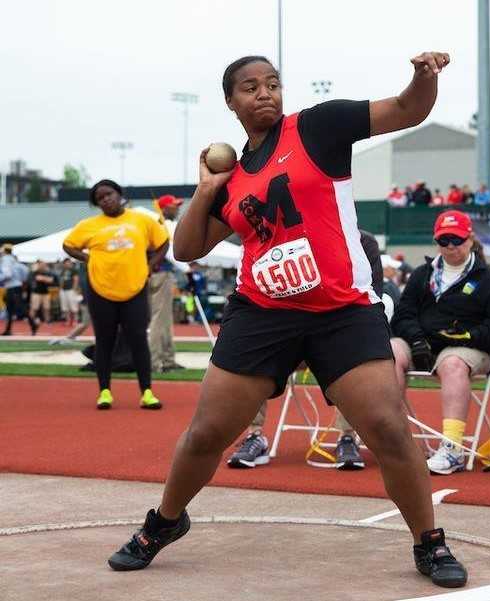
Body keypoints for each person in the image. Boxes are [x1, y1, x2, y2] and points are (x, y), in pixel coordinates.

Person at [107, 52, 467, 588]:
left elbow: (408, 110)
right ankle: (163, 522)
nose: (265, 94)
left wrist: (424, 76)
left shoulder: (319, 127)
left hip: (342, 309)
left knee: (388, 427)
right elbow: (186, 248)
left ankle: (429, 542)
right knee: (207, 433)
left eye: (272, 83)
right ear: (231, 102)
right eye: (250, 88)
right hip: (263, 313)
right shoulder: (230, 180)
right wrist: (207, 188)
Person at [227, 230, 384, 472]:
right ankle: (255, 435)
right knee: (247, 356)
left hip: (335, 333)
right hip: (286, 333)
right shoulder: (280, 238)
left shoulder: (364, 243)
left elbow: (371, 295)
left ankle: (347, 437)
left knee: (353, 356)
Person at [390, 210, 490, 475]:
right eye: (443, 240)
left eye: (456, 239)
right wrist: (417, 340)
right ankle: (394, 439)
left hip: (468, 350)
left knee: (454, 363)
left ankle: (453, 447)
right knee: (390, 352)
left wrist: (470, 336)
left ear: (469, 240)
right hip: (423, 343)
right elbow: (403, 316)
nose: (450, 246)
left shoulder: (487, 280)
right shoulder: (422, 275)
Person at [63, 179, 169, 410]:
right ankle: (104, 392)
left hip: (135, 288)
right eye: (100, 198)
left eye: (108, 194)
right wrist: (87, 258)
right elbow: (68, 245)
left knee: (138, 340)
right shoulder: (88, 225)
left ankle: (147, 392)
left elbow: (163, 242)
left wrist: (152, 265)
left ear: (118, 194)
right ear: (97, 204)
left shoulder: (141, 220)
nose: (105, 200)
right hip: (101, 290)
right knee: (104, 342)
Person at [149, 194, 185, 372]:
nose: (177, 208)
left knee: (165, 319)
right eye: (174, 205)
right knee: (158, 320)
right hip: (160, 274)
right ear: (164, 208)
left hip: (161, 274)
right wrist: (187, 270)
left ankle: (168, 359)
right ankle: (155, 362)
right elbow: (169, 253)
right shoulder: (159, 225)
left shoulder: (161, 224)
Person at [0, 244, 35, 336]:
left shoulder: (6, 260)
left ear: (4, 251)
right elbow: (25, 271)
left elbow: (7, 274)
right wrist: (21, 280)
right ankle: (8, 329)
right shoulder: (14, 260)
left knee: (19, 308)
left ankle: (33, 324)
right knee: (10, 309)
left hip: (12, 287)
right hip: (16, 286)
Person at [29, 260, 56, 330]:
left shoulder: (47, 272)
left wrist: (43, 278)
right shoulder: (34, 272)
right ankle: (31, 320)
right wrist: (45, 279)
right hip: (36, 292)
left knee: (47, 308)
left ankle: (47, 321)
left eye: (43, 265)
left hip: (45, 292)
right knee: (34, 308)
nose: (42, 266)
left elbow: (51, 280)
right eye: (41, 265)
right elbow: (37, 278)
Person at [58, 258, 80, 327]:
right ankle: (68, 320)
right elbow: (61, 280)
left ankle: (75, 321)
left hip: (71, 290)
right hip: (63, 290)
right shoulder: (63, 271)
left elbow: (76, 279)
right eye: (66, 262)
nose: (67, 264)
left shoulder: (74, 270)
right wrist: (60, 289)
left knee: (73, 306)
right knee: (65, 307)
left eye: (69, 262)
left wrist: (74, 289)